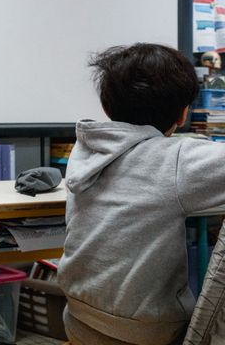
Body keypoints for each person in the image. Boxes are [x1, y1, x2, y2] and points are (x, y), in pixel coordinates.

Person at [58, 43, 225, 345]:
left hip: (77, 319)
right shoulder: (177, 160)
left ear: (107, 108)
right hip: (145, 333)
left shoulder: (86, 148)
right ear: (184, 113)